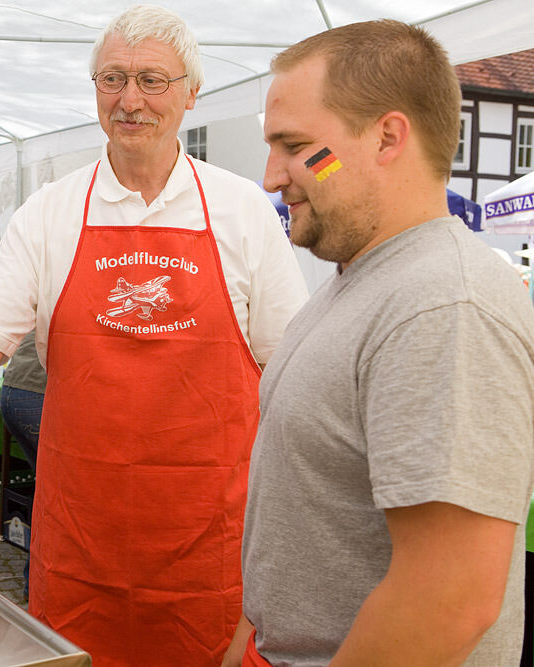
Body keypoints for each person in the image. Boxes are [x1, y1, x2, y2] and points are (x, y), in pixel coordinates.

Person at [0, 5, 308, 664]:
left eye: (152, 80)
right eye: (112, 79)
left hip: (210, 556)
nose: (130, 100)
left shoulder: (241, 207)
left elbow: (293, 376)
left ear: (191, 93)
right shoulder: (50, 211)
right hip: (82, 554)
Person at [228, 20, 534, 667]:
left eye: (296, 145)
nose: (271, 175)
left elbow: (449, 597)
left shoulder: (443, 304)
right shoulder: (361, 282)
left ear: (388, 137)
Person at [0, 330, 47, 600]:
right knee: (56, 496)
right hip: (36, 393)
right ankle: (39, 588)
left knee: (45, 491)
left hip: (14, 391)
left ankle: (35, 586)